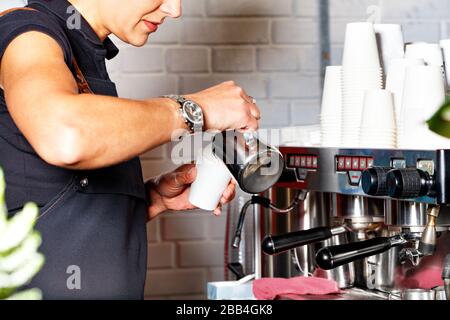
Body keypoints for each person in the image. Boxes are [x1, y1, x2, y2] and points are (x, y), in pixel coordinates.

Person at [0, 0, 261, 299]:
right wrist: (194, 110)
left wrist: (154, 199)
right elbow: (66, 136)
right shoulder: (26, 33)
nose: (174, 10)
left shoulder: (83, 57)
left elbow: (54, 206)